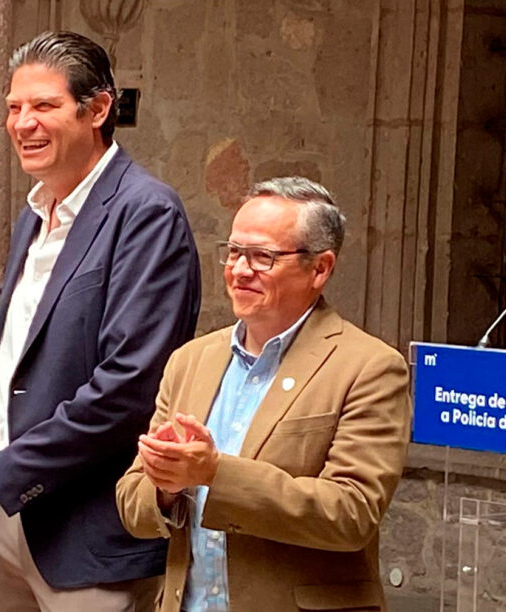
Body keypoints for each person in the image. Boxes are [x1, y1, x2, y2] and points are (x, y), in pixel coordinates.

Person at [0, 31, 201, 612]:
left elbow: (128, 388)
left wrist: (0, 476)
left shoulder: (146, 212)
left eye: (44, 105)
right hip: (17, 524)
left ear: (98, 110)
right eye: (14, 107)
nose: (23, 123)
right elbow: (25, 354)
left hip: (90, 532)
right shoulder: (36, 213)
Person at [116, 176, 411, 612]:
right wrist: (165, 489)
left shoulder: (369, 367)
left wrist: (215, 474)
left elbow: (352, 514)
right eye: (234, 252)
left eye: (262, 257)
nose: (239, 270)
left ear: (320, 268)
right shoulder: (190, 361)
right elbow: (132, 504)